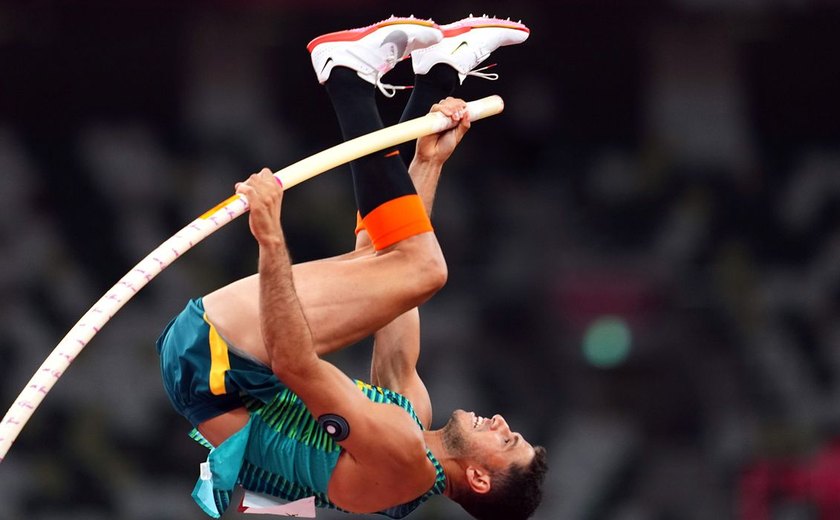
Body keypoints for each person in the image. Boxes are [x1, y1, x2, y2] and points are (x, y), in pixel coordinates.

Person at [156, 15, 547, 520]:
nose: (499, 420)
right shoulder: (412, 424)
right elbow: (385, 258)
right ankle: (436, 73)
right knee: (403, 270)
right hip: (215, 365)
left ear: (477, 477)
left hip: (218, 367)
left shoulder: (402, 465)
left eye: (507, 438)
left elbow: (294, 365)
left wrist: (272, 240)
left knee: (428, 273)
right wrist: (428, 163)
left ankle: (345, 75)